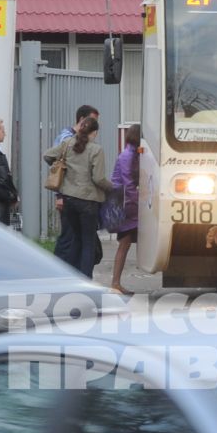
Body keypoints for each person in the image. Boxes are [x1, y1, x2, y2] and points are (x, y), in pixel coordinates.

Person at [44, 114, 112, 274]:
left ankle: (71, 276)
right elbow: (98, 178)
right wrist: (111, 188)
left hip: (69, 200)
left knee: (76, 239)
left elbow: (47, 155)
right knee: (88, 242)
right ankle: (86, 280)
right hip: (88, 202)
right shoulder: (96, 149)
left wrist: (60, 165)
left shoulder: (67, 143)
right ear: (94, 133)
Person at [103, 124, 141, 294]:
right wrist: (139, 202)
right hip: (123, 202)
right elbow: (128, 183)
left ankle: (116, 282)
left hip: (126, 201)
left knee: (126, 242)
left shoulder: (134, 153)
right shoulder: (128, 156)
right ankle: (115, 283)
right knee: (125, 242)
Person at [52, 103, 97, 214]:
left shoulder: (84, 139)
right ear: (82, 119)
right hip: (68, 196)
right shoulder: (66, 139)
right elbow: (58, 167)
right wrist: (59, 196)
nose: (95, 125)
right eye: (92, 120)